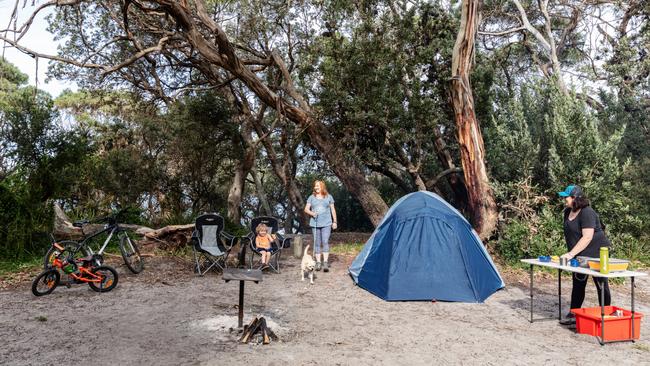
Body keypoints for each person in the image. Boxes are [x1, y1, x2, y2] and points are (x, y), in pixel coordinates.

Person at [558, 184, 611, 324]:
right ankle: (573, 315)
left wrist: (570, 254)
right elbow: (572, 236)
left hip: (597, 253)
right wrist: (573, 254)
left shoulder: (587, 212)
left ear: (575, 198)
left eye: (566, 197)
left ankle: (605, 316)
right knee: (578, 283)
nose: (564, 199)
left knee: (601, 284)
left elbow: (587, 237)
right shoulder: (567, 212)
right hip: (579, 254)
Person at [304, 180, 337, 272]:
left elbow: (333, 210)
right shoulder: (311, 197)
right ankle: (318, 263)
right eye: (315, 186)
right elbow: (306, 209)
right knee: (317, 243)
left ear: (322, 186)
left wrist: (335, 222)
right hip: (315, 223)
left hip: (327, 223)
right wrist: (312, 213)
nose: (316, 187)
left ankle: (325, 262)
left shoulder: (328, 197)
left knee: (325, 241)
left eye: (318, 185)